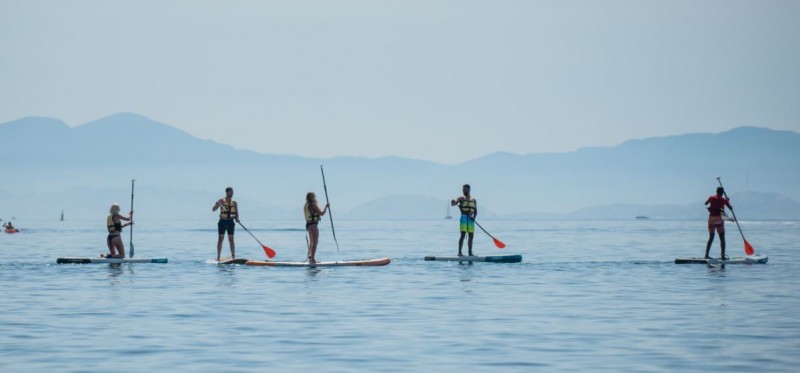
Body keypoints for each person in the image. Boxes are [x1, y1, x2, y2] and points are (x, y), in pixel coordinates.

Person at [705, 186, 733, 259]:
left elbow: (705, 203)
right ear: (722, 193)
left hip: (711, 219)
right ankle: (723, 255)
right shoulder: (724, 200)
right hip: (719, 220)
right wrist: (727, 201)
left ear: (716, 191)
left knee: (711, 237)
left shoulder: (711, 197)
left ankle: (706, 255)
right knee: (722, 237)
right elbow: (731, 208)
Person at [213, 187, 240, 261]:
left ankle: (233, 256)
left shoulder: (234, 202)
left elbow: (237, 213)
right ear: (227, 192)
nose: (232, 193)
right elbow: (214, 210)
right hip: (222, 221)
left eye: (232, 192)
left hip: (231, 222)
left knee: (231, 239)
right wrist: (216, 205)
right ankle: (218, 257)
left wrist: (237, 219)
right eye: (231, 192)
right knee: (220, 239)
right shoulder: (221, 201)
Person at [451, 184, 478, 256]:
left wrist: (474, 217)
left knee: (471, 236)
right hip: (463, 218)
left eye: (465, 189)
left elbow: (475, 211)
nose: (464, 190)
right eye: (463, 189)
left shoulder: (474, 200)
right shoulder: (460, 198)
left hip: (471, 219)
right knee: (462, 235)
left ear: (469, 190)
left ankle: (470, 252)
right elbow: (454, 204)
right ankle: (459, 252)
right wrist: (453, 202)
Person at [304, 192, 329, 264]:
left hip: (308, 225)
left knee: (311, 242)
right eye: (314, 196)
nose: (315, 198)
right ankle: (312, 259)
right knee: (315, 242)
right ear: (311, 197)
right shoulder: (313, 204)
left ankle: (310, 258)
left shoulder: (306, 205)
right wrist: (326, 207)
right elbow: (321, 213)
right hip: (313, 225)